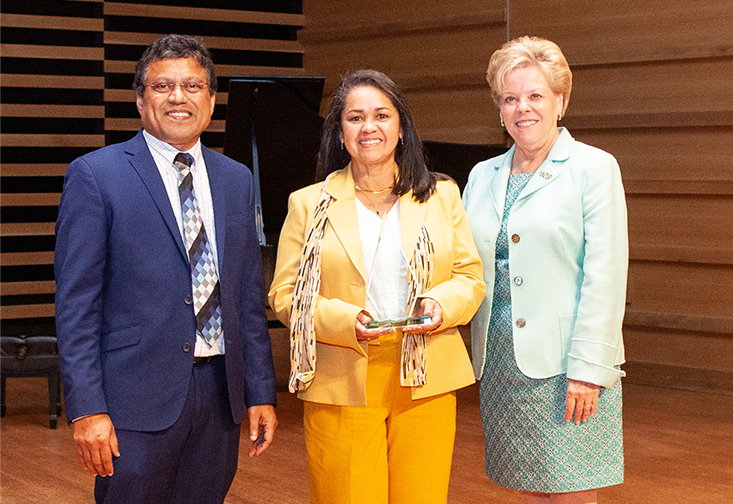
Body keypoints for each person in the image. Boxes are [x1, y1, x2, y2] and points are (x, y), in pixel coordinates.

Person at [54, 34, 278, 504]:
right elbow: (76, 306)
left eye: (193, 86)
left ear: (211, 100)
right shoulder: (96, 175)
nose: (179, 97)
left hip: (220, 397)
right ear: (140, 100)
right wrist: (87, 409)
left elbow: (244, 299)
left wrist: (260, 390)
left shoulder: (237, 179)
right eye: (163, 86)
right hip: (133, 402)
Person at [268, 69, 485, 504]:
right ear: (340, 134)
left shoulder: (442, 195)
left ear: (401, 128)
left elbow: (469, 277)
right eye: (355, 118)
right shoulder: (307, 203)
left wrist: (440, 305)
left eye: (382, 115)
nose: (369, 127)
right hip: (341, 373)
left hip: (425, 377)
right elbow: (285, 295)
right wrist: (345, 321)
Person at [463, 36, 628, 504]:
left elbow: (606, 274)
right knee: (525, 488)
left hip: (566, 366)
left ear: (561, 101)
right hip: (499, 362)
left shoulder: (594, 168)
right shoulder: (482, 175)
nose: (522, 109)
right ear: (498, 108)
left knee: (569, 491)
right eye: (510, 98)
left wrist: (589, 370)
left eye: (535, 95)